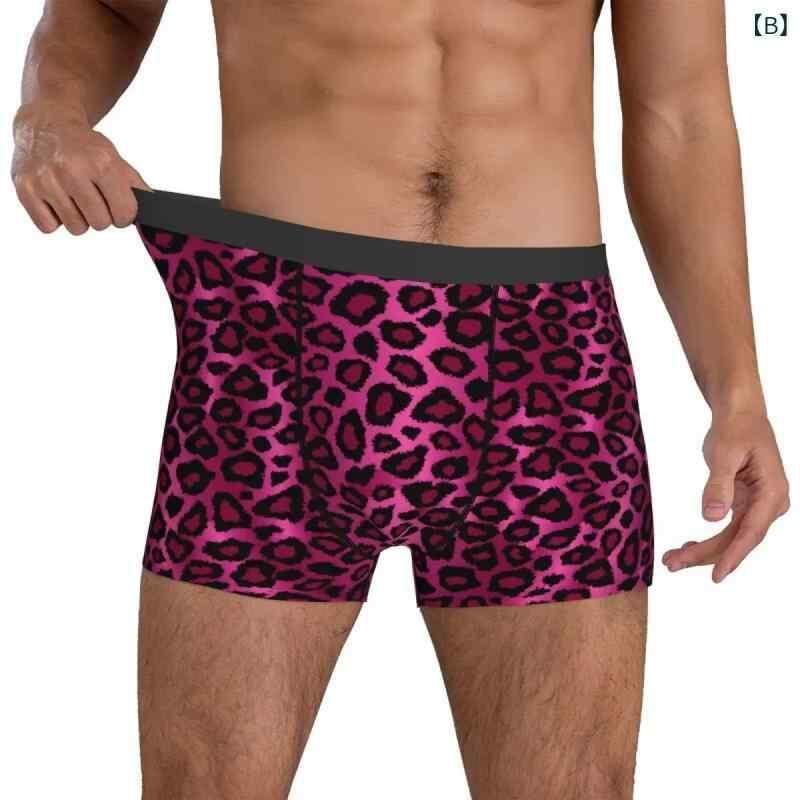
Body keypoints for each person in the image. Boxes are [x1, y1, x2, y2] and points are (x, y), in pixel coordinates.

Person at [11, 1, 790, 798]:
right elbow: (105, 8)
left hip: (551, 372)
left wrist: (737, 391)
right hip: (272, 353)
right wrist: (49, 116)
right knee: (201, 787)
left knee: (576, 787)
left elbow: (680, 113)